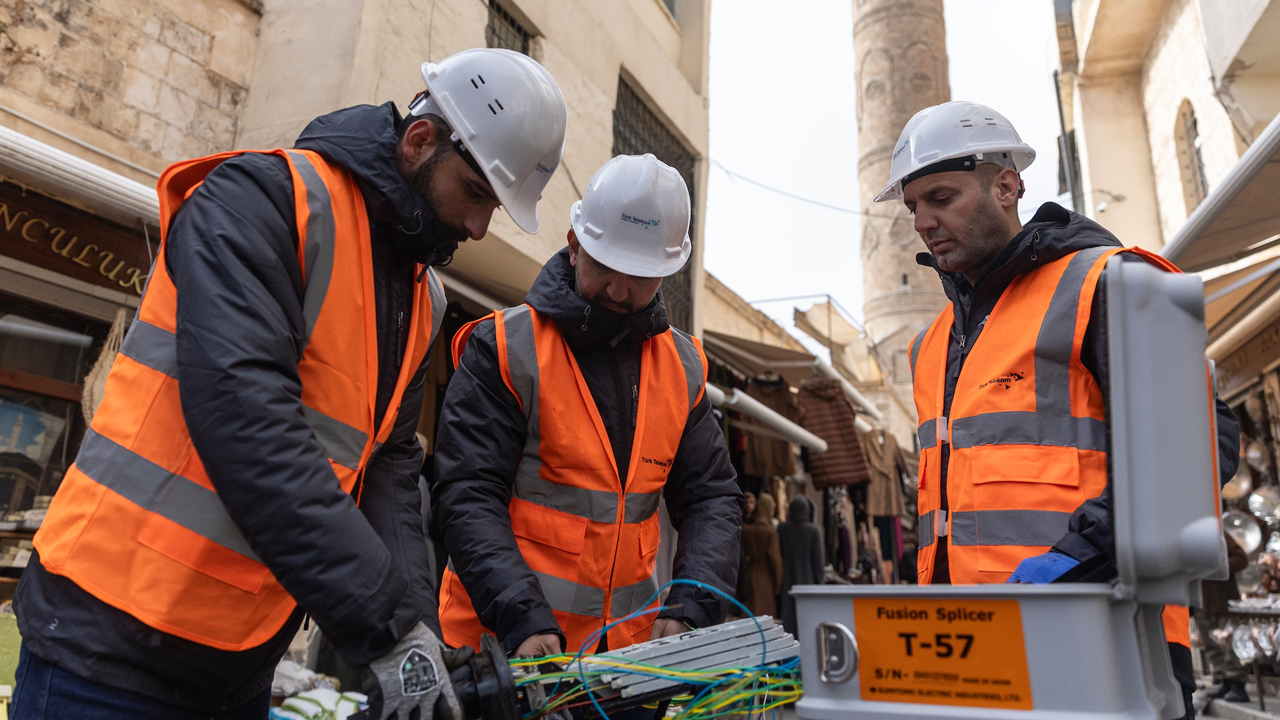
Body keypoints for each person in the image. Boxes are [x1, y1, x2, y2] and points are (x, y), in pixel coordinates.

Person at [11, 48, 567, 720]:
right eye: (477, 194)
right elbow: (248, 424)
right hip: (109, 639)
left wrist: (416, 635)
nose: (479, 227)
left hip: (238, 663)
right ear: (421, 141)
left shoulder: (422, 298)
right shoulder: (262, 200)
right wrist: (386, 628)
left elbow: (388, 472)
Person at [879, 101, 1240, 719]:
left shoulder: (1105, 282)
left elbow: (1203, 442)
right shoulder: (929, 345)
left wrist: (1080, 555)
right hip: (969, 652)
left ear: (1007, 185)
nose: (923, 221)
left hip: (1107, 630)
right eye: (913, 206)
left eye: (940, 197)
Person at [434, 153, 741, 658]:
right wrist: (520, 615)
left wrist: (690, 607)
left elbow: (712, 498)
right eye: (607, 267)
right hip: (505, 652)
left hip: (623, 663)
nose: (619, 290)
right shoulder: (507, 348)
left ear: (667, 272)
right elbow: (468, 493)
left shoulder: (682, 368)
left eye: (640, 276)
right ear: (575, 246)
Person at [777, 495, 823, 634]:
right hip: (808, 581)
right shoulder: (813, 531)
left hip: (787, 580)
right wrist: (820, 582)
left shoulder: (782, 529)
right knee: (807, 622)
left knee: (789, 624)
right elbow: (818, 561)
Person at [742, 493, 783, 618]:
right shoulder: (771, 533)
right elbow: (775, 559)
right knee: (765, 618)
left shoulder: (747, 531)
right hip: (766, 579)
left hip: (749, 576)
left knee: (749, 617)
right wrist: (778, 584)